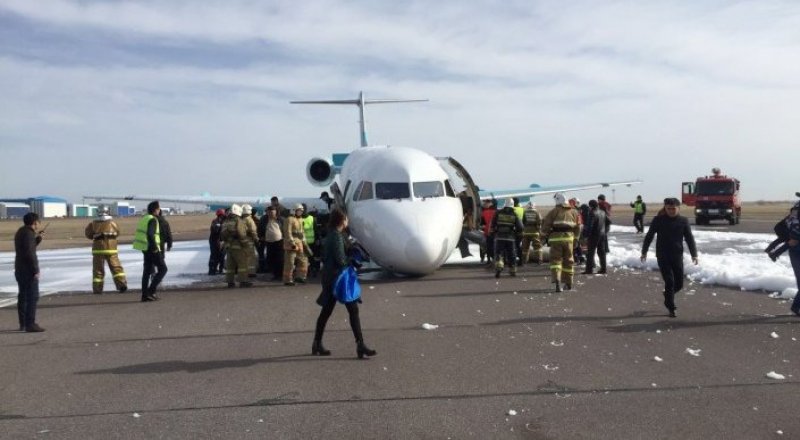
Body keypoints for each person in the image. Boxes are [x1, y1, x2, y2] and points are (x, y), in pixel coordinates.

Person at [312, 208, 377, 359]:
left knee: (342, 310)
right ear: (342, 221)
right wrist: (353, 258)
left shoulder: (337, 234)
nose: (348, 221)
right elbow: (340, 260)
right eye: (346, 219)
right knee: (340, 310)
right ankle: (319, 343)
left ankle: (358, 344)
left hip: (335, 277)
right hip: (337, 279)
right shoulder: (336, 236)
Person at [641, 198, 699, 318]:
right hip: (662, 255)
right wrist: (644, 251)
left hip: (677, 255)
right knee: (670, 281)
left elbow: (689, 238)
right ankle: (671, 307)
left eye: (673, 209)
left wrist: (694, 254)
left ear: (678, 208)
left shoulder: (683, 221)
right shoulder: (658, 220)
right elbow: (649, 236)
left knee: (679, 284)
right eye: (668, 209)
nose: (671, 211)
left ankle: (668, 294)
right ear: (665, 208)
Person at [541, 192, 580, 292]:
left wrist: (543, 238)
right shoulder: (574, 212)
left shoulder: (553, 211)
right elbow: (578, 227)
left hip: (556, 240)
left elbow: (546, 226)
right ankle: (569, 283)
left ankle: (557, 281)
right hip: (569, 240)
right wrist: (576, 239)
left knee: (556, 261)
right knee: (569, 261)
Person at [84, 206, 127, 294]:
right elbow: (118, 232)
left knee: (98, 270)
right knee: (116, 268)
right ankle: (121, 284)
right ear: (108, 211)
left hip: (98, 249)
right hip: (111, 249)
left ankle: (97, 289)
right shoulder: (112, 222)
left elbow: (88, 234)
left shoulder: (93, 223)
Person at [15, 212, 45, 332]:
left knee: (23, 296)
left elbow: (27, 248)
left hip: (20, 268)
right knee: (32, 296)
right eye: (38, 222)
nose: (38, 224)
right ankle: (30, 323)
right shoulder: (28, 234)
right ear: (34, 222)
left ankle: (23, 323)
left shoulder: (21, 232)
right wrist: (35, 269)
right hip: (27, 270)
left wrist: (37, 239)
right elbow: (29, 253)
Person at [133, 201, 167, 302]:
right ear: (155, 209)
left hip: (144, 248)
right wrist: (155, 248)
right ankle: (151, 291)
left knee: (147, 272)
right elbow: (150, 234)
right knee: (163, 269)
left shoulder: (144, 218)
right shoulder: (153, 220)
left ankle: (144, 295)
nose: (159, 210)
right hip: (151, 248)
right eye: (159, 208)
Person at [220, 204, 252, 288]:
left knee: (230, 265)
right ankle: (243, 281)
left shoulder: (226, 221)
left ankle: (230, 282)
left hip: (229, 246)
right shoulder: (238, 220)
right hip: (238, 246)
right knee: (242, 264)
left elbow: (222, 235)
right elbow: (241, 233)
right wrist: (245, 245)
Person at [491, 198, 523, 278]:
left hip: (499, 237)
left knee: (499, 253)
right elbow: (520, 227)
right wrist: (516, 233)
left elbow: (493, 224)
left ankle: (499, 266)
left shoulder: (498, 213)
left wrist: (493, 232)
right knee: (511, 254)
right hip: (510, 238)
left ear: (505, 204)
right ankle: (512, 270)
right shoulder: (514, 214)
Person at [282, 203, 309, 286]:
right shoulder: (289, 219)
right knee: (290, 262)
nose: (301, 212)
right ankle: (288, 280)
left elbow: (302, 232)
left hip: (299, 242)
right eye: (299, 210)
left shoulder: (300, 219)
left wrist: (304, 242)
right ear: (294, 210)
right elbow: (288, 232)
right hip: (291, 243)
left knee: (303, 260)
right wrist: (292, 242)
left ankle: (300, 277)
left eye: (301, 211)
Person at [583, 200, 610, 275]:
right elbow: (608, 222)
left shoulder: (592, 213)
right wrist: (605, 230)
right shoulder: (603, 212)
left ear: (591, 206)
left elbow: (590, 226)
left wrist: (586, 235)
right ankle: (603, 269)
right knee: (601, 252)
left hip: (594, 235)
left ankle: (589, 270)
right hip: (602, 235)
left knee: (590, 253)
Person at [262, 205, 284, 280]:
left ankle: (280, 274)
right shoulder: (264, 219)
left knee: (279, 259)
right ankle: (274, 274)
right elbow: (260, 228)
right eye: (269, 212)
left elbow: (285, 229)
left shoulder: (280, 219)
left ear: (276, 212)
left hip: (279, 241)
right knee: (270, 258)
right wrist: (261, 237)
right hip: (269, 242)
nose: (270, 213)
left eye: (272, 212)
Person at [789, 195, 800, 316]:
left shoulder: (795, 207)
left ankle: (796, 306)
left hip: (793, 248)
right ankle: (796, 306)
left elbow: (788, 223)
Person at [241, 204, 259, 277]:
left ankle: (244, 272)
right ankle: (251, 273)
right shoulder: (249, 219)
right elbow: (253, 231)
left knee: (244, 257)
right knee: (251, 257)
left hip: (242, 241)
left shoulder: (241, 219)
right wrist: (256, 239)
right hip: (249, 241)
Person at [208, 209, 226, 275]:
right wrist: (220, 226)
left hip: (220, 241)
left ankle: (220, 269)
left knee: (221, 256)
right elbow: (215, 231)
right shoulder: (215, 222)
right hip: (214, 241)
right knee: (214, 255)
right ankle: (212, 270)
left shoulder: (223, 222)